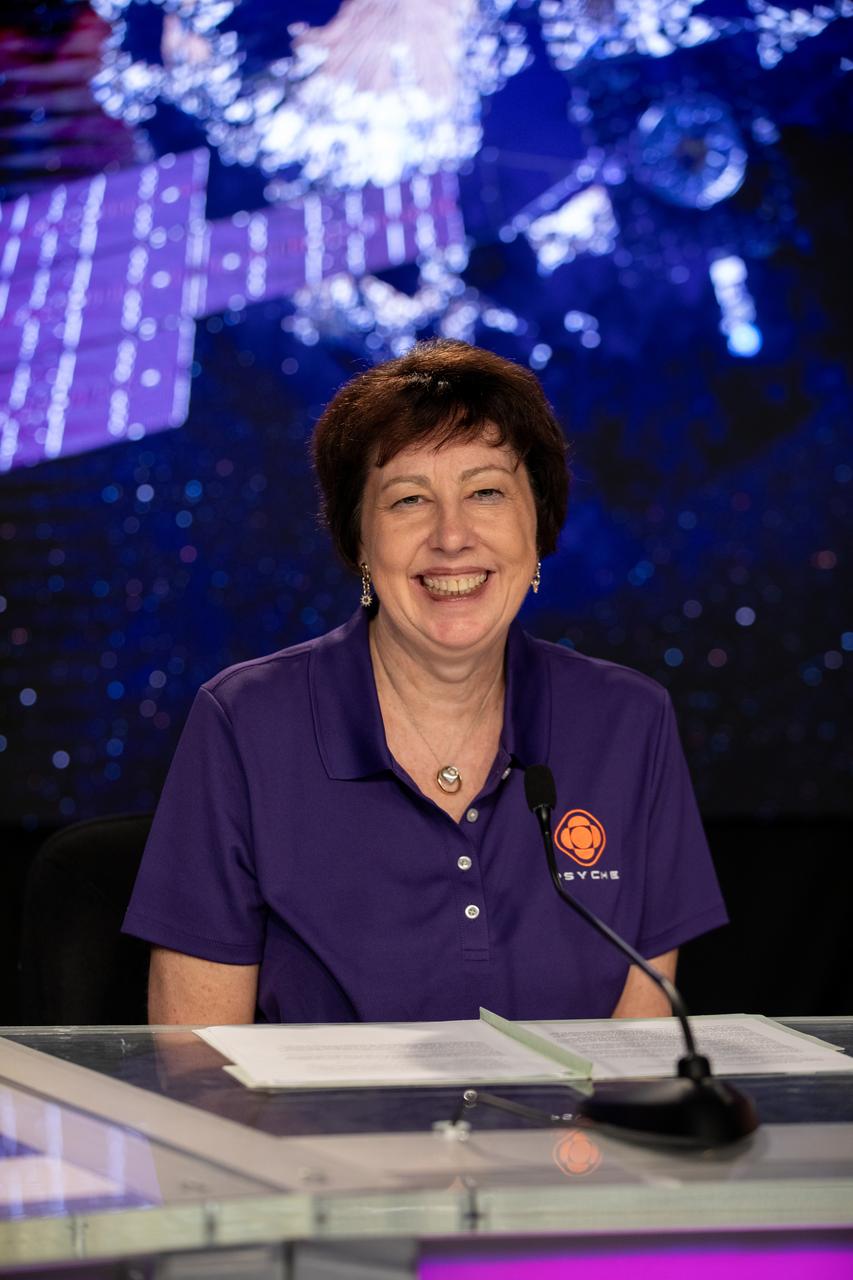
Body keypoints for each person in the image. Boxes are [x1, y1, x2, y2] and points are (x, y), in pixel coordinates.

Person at [124, 339, 727, 1025]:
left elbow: (642, 1055)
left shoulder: (629, 721)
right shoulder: (245, 722)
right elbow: (198, 1058)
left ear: (538, 526)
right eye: (409, 499)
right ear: (359, 541)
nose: (451, 536)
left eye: (486, 492)